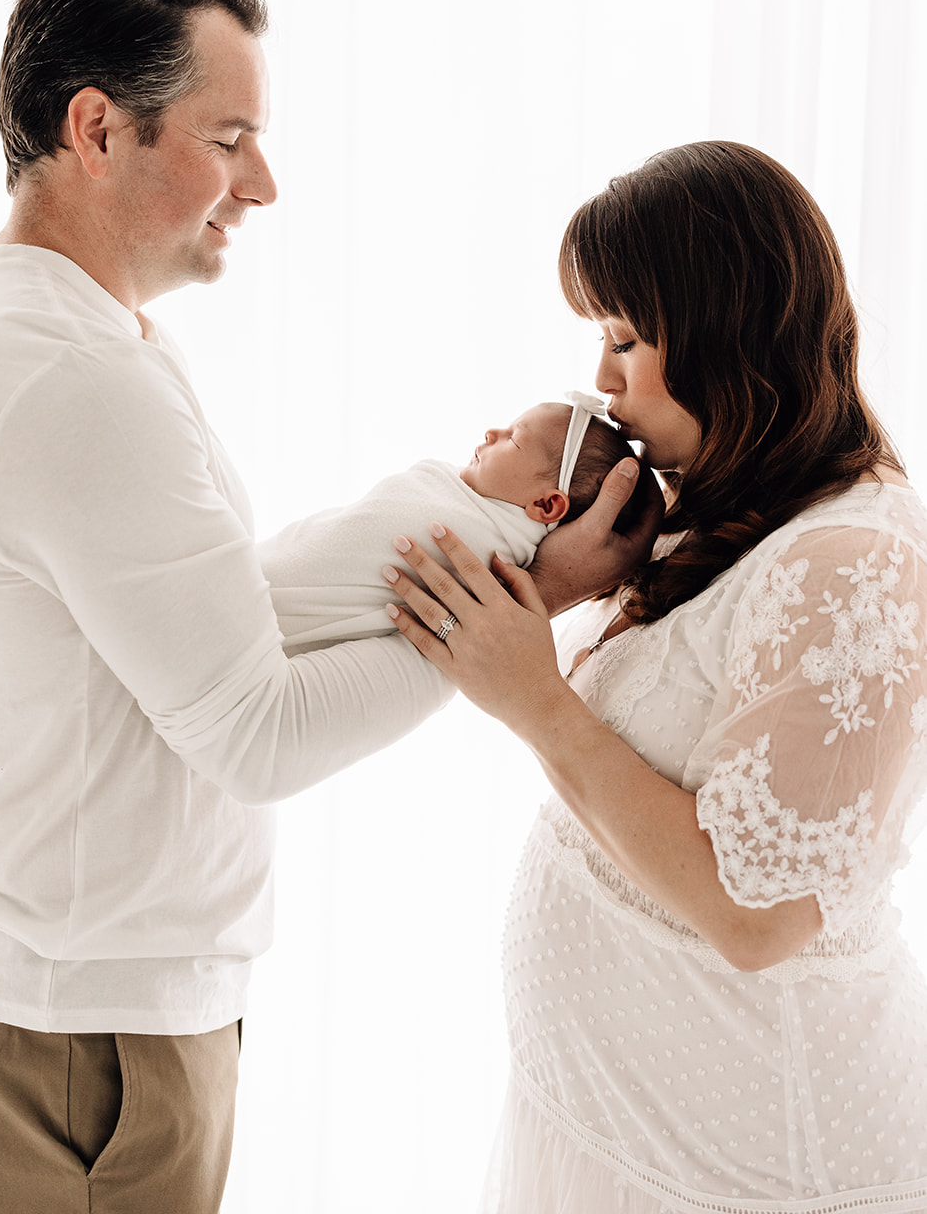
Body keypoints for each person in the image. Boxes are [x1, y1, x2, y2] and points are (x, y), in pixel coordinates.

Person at [0, 0, 656, 1214]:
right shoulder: (80, 380)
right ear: (96, 127)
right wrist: (523, 607)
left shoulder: (57, 327)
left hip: (70, 1006)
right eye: (229, 135)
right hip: (85, 1046)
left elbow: (211, 627)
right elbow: (252, 734)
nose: (264, 184)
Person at [385, 141, 927, 1212]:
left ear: (730, 332)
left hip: (738, 1162)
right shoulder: (739, 508)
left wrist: (536, 701)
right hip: (621, 1134)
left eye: (625, 337)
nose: (601, 379)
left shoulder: (852, 562)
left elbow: (756, 915)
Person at [262, 397, 653, 656]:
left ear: (546, 504)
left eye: (513, 440)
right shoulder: (457, 492)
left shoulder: (488, 550)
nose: (491, 433)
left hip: (269, 610)